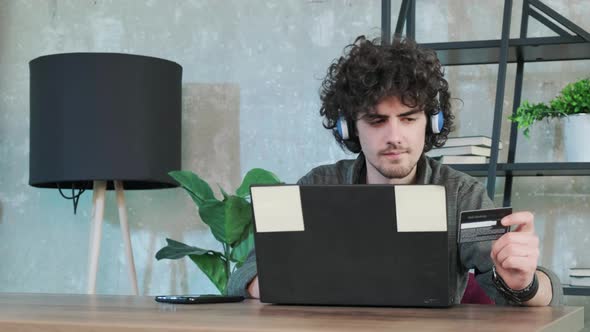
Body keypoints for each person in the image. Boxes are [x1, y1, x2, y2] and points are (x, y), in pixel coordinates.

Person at [227, 36, 562, 306]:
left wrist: (525, 282)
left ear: (432, 123)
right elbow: (245, 275)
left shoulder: (461, 195)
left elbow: (542, 290)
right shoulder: (316, 185)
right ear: (349, 128)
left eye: (408, 118)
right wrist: (269, 281)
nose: (394, 137)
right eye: (376, 120)